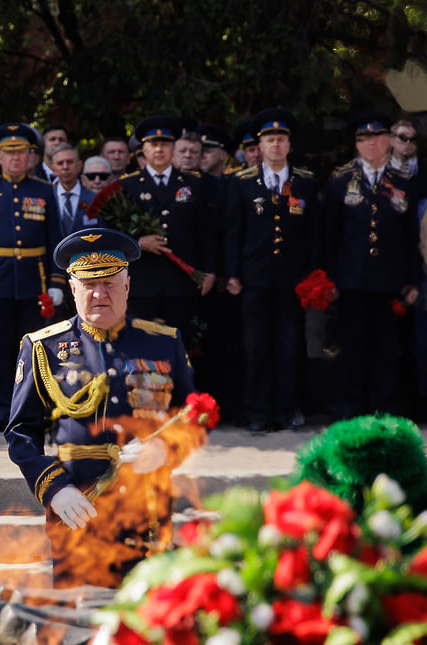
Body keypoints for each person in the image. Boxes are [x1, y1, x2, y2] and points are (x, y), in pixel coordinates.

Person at [7, 228, 195, 586]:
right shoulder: (43, 348)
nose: (99, 293)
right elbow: (21, 432)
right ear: (73, 289)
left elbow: (191, 415)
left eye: (109, 283)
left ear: (127, 286)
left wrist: (166, 448)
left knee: (145, 621)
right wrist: (55, 489)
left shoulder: (163, 342)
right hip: (78, 506)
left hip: (147, 511)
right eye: (89, 284)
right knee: (76, 622)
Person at [222, 108, 321, 433]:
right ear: (260, 146)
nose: (275, 145)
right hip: (255, 279)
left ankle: (288, 408)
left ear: (289, 144)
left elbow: (314, 234)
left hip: (293, 280)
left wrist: (315, 275)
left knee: (290, 346)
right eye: (269, 140)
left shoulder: (304, 182)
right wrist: (232, 272)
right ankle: (258, 411)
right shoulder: (241, 183)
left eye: (281, 139)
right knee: (256, 347)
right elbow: (233, 230)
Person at [0, 122, 65, 433]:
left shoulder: (44, 191)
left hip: (34, 283)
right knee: (0, 351)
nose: (16, 158)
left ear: (30, 156)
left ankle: (32, 412)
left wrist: (57, 281)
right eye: (10, 153)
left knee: (35, 351)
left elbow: (54, 239)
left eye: (21, 152)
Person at [324, 112, 419, 418]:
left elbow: (411, 238)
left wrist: (413, 281)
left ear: (388, 142)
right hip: (351, 280)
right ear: (356, 144)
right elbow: (330, 236)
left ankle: (385, 409)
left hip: (389, 281)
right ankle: (350, 409)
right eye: (364, 140)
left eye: (377, 138)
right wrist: (329, 280)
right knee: (351, 348)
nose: (372, 145)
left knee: (386, 350)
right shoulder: (341, 181)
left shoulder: (402, 182)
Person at [118, 115, 216, 334]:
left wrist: (209, 270)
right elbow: (114, 232)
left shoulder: (194, 184)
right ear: (143, 149)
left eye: (165, 144)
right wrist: (139, 243)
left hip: (181, 282)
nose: (159, 150)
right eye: (153, 144)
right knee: (143, 349)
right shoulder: (127, 186)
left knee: (180, 347)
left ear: (173, 148)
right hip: (143, 283)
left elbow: (206, 232)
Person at [50, 144, 97, 233]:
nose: (65, 167)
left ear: (79, 166)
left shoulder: (95, 199)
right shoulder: (47, 198)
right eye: (60, 163)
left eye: (70, 162)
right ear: (54, 169)